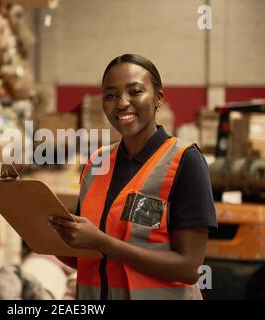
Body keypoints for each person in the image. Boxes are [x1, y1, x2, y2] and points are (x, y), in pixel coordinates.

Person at [48, 54, 217, 300]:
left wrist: (102, 243)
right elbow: (92, 259)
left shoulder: (185, 161)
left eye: (135, 91)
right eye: (111, 95)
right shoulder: (97, 163)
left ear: (159, 99)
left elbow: (190, 268)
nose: (122, 103)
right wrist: (44, 234)